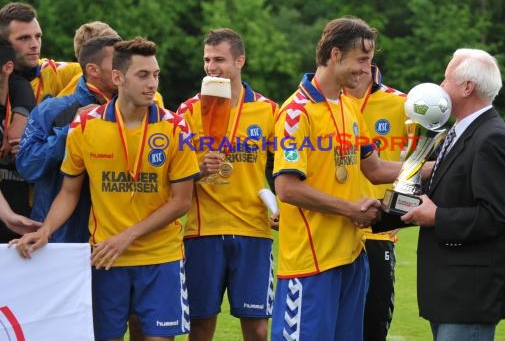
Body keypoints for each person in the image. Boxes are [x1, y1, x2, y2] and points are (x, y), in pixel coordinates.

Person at [10, 37, 200, 341]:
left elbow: (181, 202)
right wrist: (45, 231)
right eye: (143, 75)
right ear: (118, 77)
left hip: (160, 259)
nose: (152, 84)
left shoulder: (175, 127)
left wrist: (127, 236)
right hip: (105, 260)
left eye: (156, 75)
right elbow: (69, 192)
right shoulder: (85, 126)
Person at [271, 17, 405, 341]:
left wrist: (434, 166)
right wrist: (349, 209)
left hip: (352, 258)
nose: (367, 70)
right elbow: (287, 188)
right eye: (362, 60)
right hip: (311, 265)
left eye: (370, 62)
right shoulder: (296, 114)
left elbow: (373, 169)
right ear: (335, 55)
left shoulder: (348, 107)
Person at [398, 49, 505, 340]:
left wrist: (437, 217)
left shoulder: (492, 137)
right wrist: (382, 211)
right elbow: (440, 195)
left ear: (467, 87)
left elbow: (498, 217)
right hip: (450, 291)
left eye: (447, 79)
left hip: (470, 295)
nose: (441, 86)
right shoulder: (457, 132)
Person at [177, 28, 279, 341]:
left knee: (258, 329)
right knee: (202, 326)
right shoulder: (187, 110)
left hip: (253, 230)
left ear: (240, 61)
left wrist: (282, 206)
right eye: (207, 59)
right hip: (203, 231)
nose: (211, 66)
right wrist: (196, 167)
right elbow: (173, 173)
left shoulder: (268, 110)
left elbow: (281, 172)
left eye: (219, 59)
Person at [16, 35, 122, 243]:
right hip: (59, 239)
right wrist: (71, 130)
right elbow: (27, 167)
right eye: (118, 63)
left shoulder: (138, 112)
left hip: (117, 240)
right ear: (93, 70)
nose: (124, 69)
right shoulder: (51, 110)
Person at [345, 65, 407, 341]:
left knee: (374, 323)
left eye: (363, 57)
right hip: (332, 227)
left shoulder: (402, 104)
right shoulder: (323, 103)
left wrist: (397, 210)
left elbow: (420, 164)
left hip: (377, 232)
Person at [0, 2, 81, 103]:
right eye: (24, 38)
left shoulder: (52, 72)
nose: (35, 45)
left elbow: (96, 70)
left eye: (38, 36)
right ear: (3, 43)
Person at [0, 38, 40, 240]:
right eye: (25, 38)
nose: (34, 43)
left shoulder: (21, 90)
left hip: (21, 230)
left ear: (8, 68)